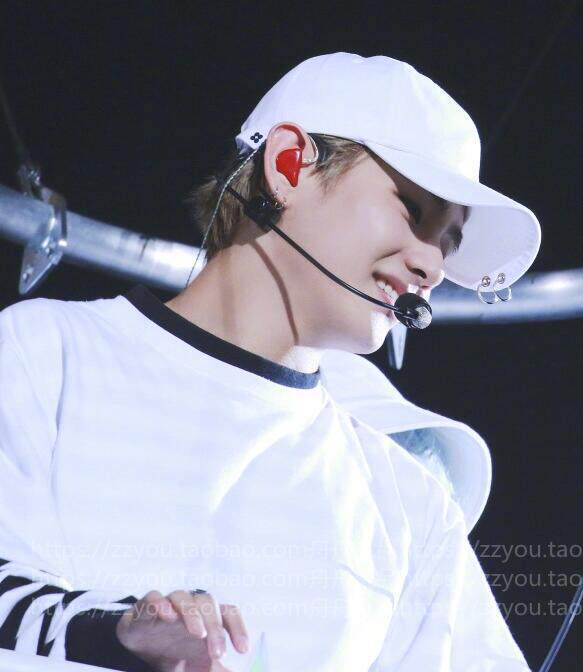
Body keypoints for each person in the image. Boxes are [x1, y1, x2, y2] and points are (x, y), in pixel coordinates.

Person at [0, 52, 540, 671]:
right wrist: (117, 634)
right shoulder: (44, 352)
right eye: (412, 211)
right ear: (288, 165)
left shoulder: (410, 506)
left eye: (448, 243)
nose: (432, 266)